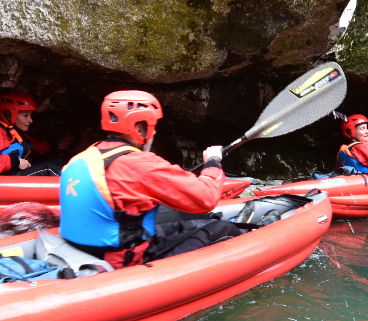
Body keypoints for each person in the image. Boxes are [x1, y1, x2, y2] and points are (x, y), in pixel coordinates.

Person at [58, 90, 242, 269]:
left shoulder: (83, 157)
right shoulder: (140, 163)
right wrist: (213, 162)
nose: (153, 134)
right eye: (152, 126)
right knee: (222, 229)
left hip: (83, 250)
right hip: (126, 260)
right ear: (139, 128)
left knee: (182, 223)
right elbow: (207, 198)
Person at [0, 91, 70, 175]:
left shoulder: (13, 132)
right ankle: (76, 189)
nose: (31, 120)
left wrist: (56, 146)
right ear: (9, 113)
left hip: (8, 175)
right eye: (25, 116)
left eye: (30, 115)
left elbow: (34, 146)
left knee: (54, 162)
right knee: (48, 168)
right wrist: (17, 162)